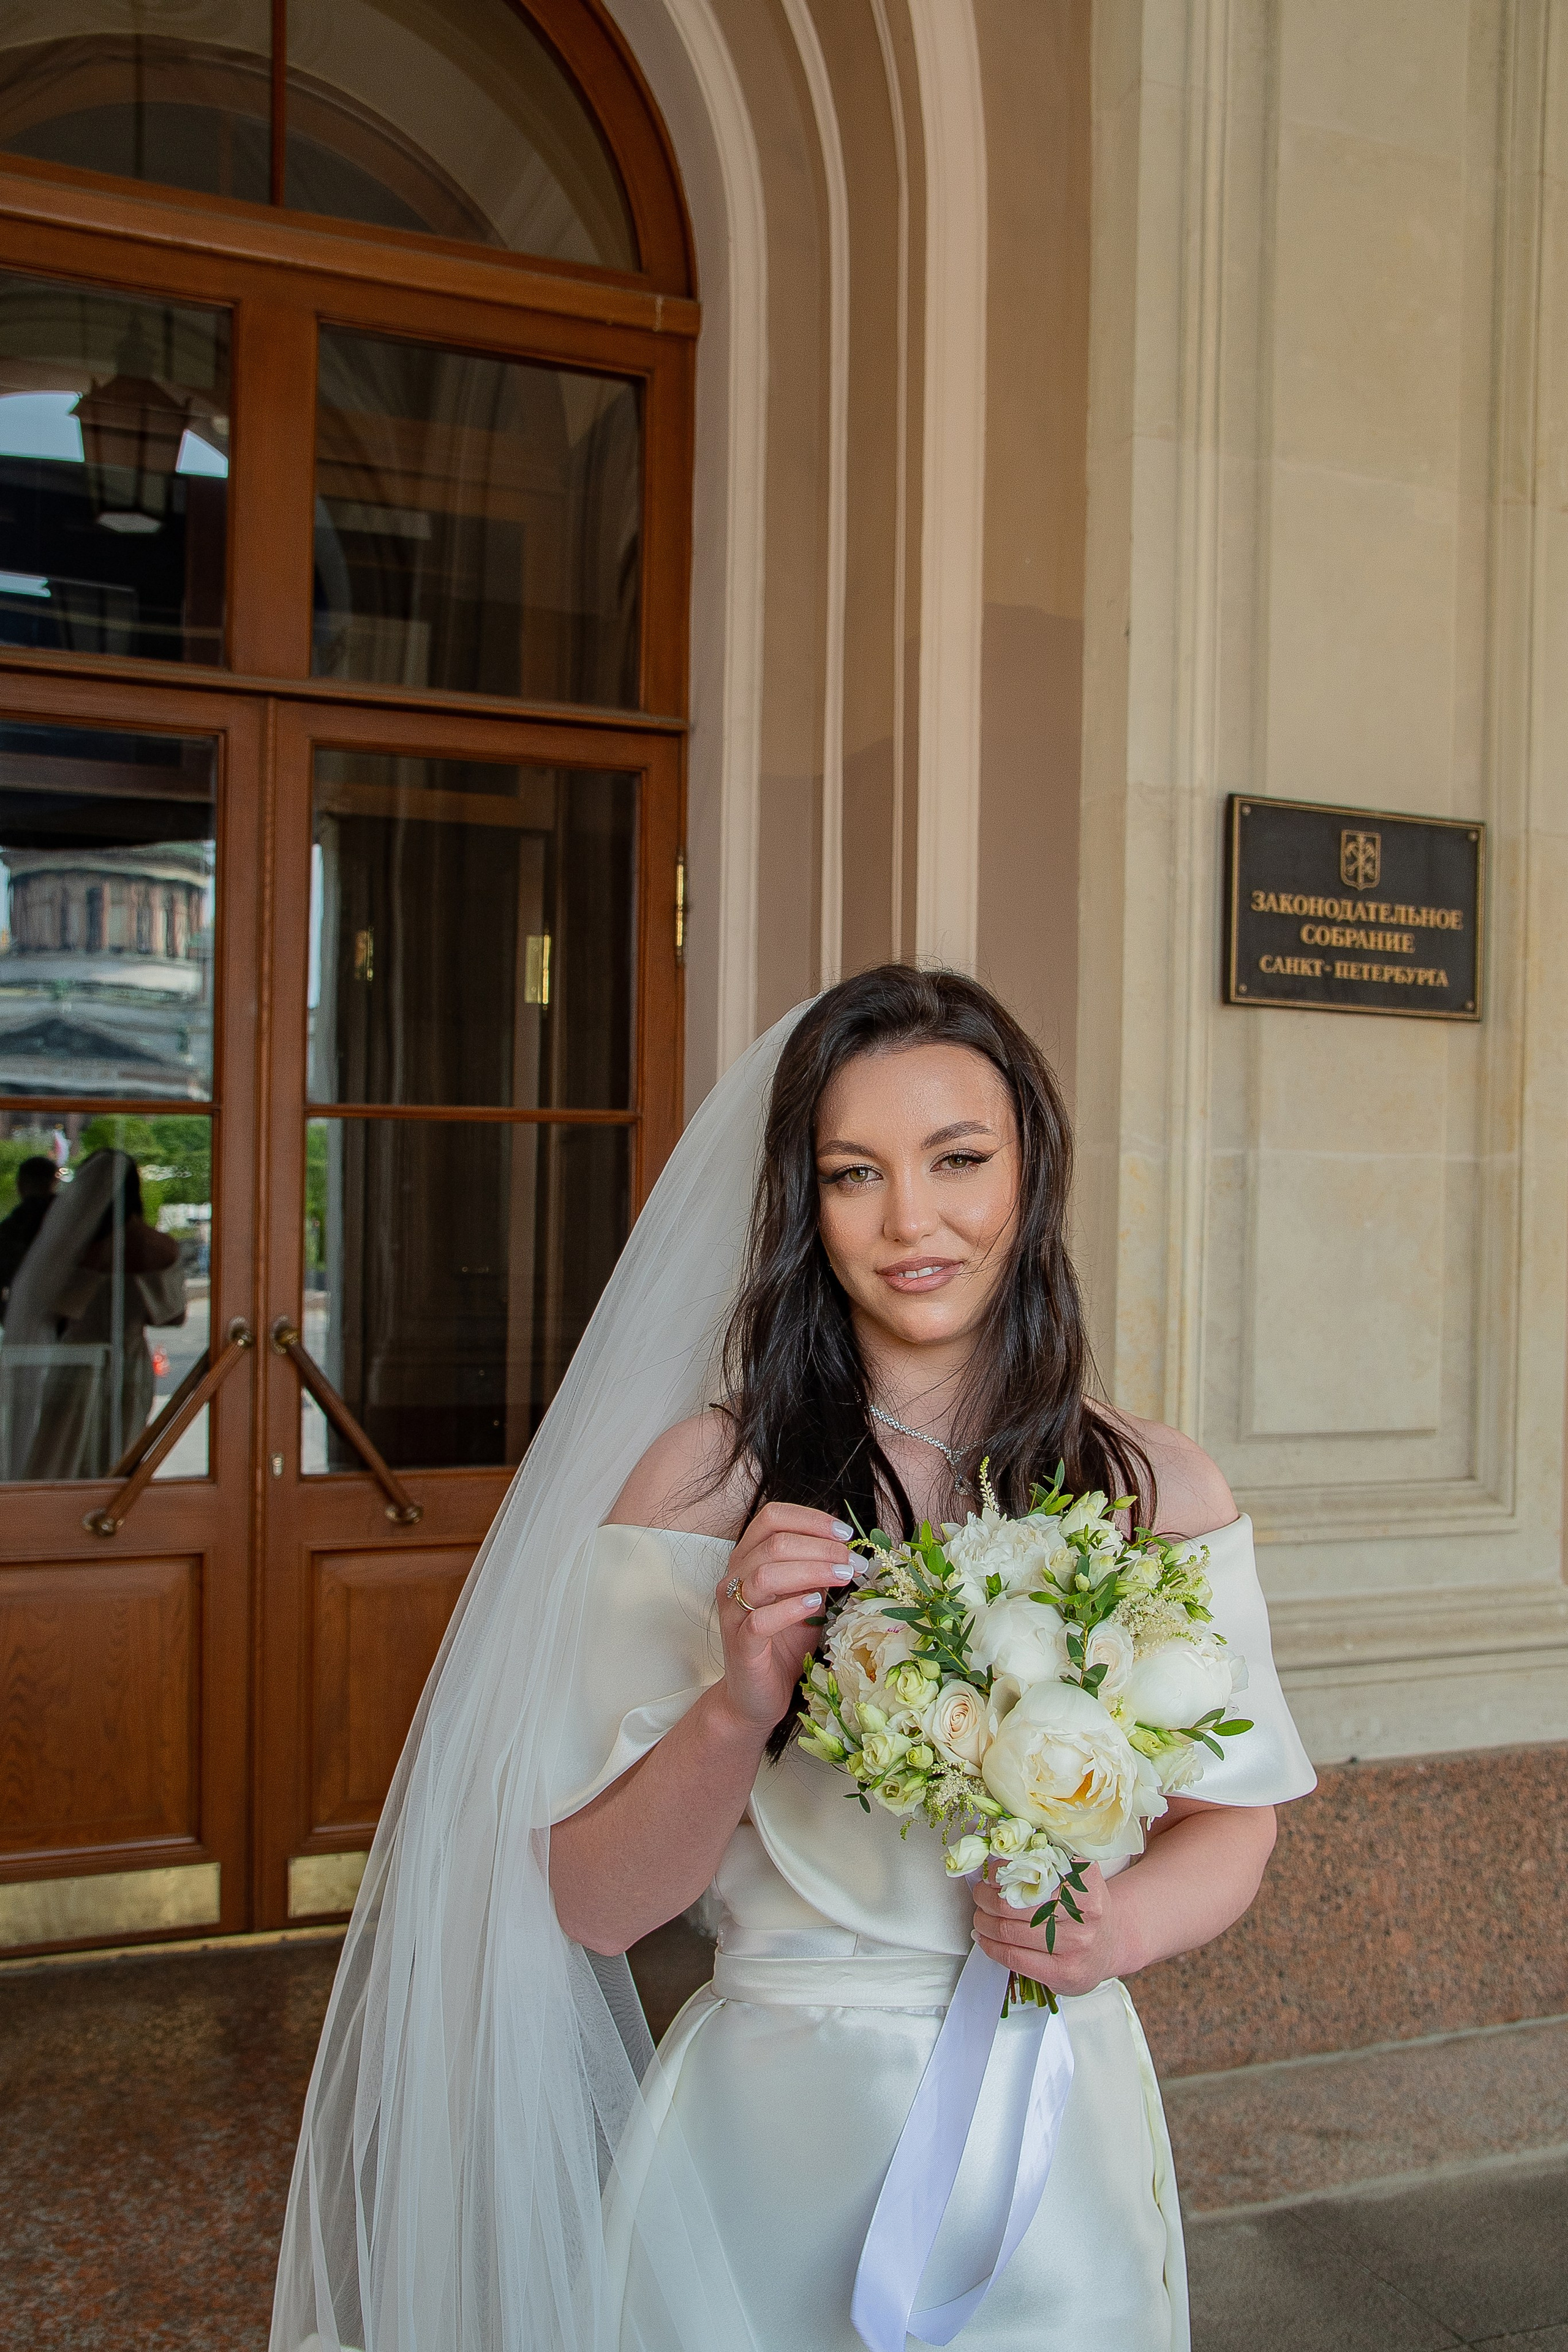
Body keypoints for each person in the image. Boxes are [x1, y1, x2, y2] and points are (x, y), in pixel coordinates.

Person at [272, 968, 1314, 2352]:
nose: (910, 1220)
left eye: (957, 1160)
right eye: (851, 1172)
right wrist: (738, 1700)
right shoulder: (707, 1483)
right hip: (765, 2141)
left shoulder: (1150, 1490)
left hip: (1045, 2134)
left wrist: (1112, 1931)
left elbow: (1229, 1823)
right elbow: (588, 1903)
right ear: (798, 1201)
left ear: (1029, 1171)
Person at [0, 1148, 186, 1482]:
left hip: (78, 1362)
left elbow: (60, 1308)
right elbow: (172, 1315)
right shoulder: (162, 1246)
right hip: (132, 1360)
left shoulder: (86, 1249)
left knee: (62, 1454)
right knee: (121, 1453)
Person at [0, 1156, 58, 1321]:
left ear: (20, 1184)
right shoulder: (67, 1220)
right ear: (53, 1182)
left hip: (22, 1313)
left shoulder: (12, 1226)